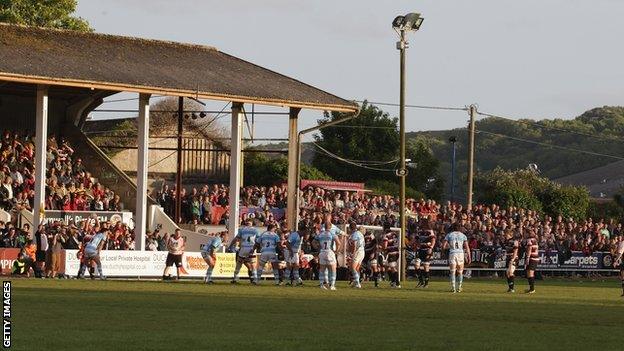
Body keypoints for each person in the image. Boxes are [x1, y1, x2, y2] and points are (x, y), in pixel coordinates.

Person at [443, 222, 471, 293]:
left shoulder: (449, 235)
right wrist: (469, 256)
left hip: (452, 253)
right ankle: (459, 287)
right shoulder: (463, 236)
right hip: (460, 254)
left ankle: (453, 288)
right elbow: (467, 247)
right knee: (460, 272)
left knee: (452, 271)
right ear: (460, 227)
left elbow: (443, 246)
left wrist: (447, 249)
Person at [229, 219, 259, 284]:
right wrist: (256, 248)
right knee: (253, 264)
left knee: (239, 263)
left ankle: (235, 279)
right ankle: (255, 280)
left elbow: (236, 239)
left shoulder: (242, 230)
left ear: (246, 223)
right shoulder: (255, 230)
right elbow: (258, 240)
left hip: (243, 248)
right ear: (251, 223)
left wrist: (230, 245)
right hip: (251, 248)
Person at [316, 220, 341, 290]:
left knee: (322, 269)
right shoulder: (332, 233)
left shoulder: (320, 234)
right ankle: (332, 285)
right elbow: (338, 243)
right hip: (329, 252)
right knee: (333, 269)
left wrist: (318, 248)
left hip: (322, 252)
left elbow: (313, 242)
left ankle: (321, 284)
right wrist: (336, 251)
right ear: (330, 226)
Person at [415, 221, 436, 288]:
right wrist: (416, 246)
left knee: (425, 266)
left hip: (427, 250)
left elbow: (433, 240)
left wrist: (431, 247)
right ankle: (421, 281)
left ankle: (426, 283)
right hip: (420, 250)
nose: (420, 224)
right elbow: (416, 240)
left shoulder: (430, 231)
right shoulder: (419, 231)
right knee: (416, 265)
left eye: (421, 223)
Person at [348, 222, 365, 289]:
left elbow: (354, 245)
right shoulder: (360, 233)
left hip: (358, 251)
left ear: (350, 228)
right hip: (362, 251)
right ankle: (356, 282)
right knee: (357, 268)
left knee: (353, 268)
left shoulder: (354, 234)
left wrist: (353, 253)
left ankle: (357, 283)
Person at [524, 230, 539, 294]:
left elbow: (529, 249)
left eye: (525, 233)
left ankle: (532, 289)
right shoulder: (535, 240)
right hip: (535, 257)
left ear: (528, 234)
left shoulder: (529, 240)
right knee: (528, 273)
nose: (524, 235)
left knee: (530, 273)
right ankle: (531, 288)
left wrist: (527, 258)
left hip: (532, 258)